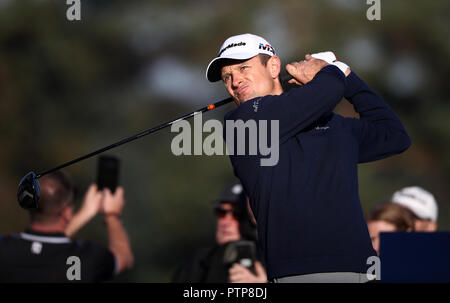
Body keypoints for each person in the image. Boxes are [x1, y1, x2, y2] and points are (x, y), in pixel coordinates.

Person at [206, 33, 411, 282]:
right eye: (227, 77)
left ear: (273, 66)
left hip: (362, 269)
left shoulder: (333, 125)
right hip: (297, 273)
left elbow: (394, 136)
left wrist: (349, 77)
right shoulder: (241, 124)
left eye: (243, 68)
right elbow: (326, 91)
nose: (235, 81)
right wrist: (330, 70)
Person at [0, 171, 134, 282]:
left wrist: (85, 212)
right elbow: (124, 255)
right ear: (67, 212)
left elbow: (46, 245)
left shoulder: (4, 249)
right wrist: (112, 215)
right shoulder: (87, 257)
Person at [172, 181, 267, 283]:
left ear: (250, 219)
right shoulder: (199, 262)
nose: (226, 222)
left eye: (237, 214)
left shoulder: (271, 258)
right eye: (221, 213)